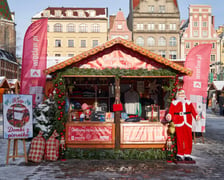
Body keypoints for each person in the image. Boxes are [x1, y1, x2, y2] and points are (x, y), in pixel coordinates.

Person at [166, 88, 200, 162]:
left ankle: (187, 154)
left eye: (182, 94)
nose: (181, 95)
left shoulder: (188, 102)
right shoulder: (174, 103)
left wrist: (196, 116)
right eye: (180, 94)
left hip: (187, 122)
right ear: (177, 95)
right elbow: (171, 111)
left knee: (188, 138)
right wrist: (169, 116)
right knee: (180, 138)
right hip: (179, 122)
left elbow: (193, 111)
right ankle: (180, 154)